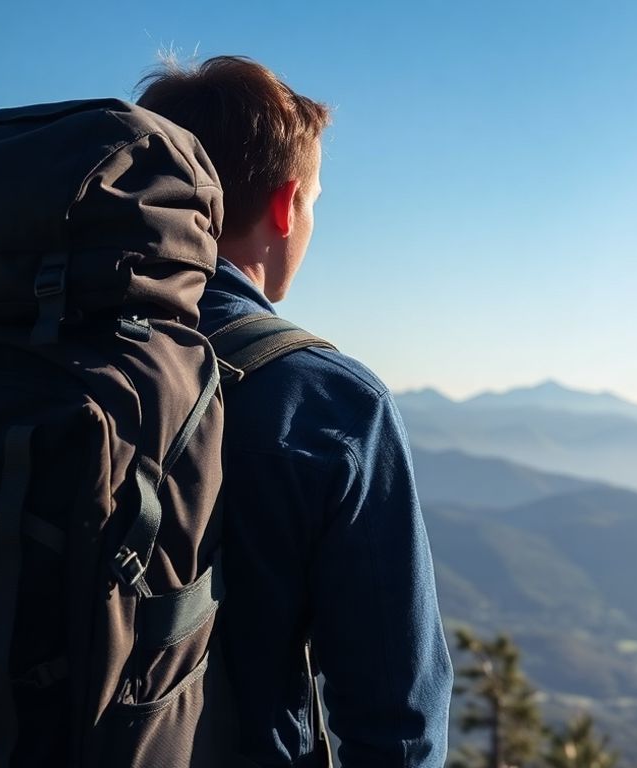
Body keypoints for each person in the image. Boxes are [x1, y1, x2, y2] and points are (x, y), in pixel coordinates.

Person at [136, 56, 452, 768]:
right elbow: (397, 719)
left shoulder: (11, 360)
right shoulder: (326, 401)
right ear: (286, 206)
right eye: (314, 202)